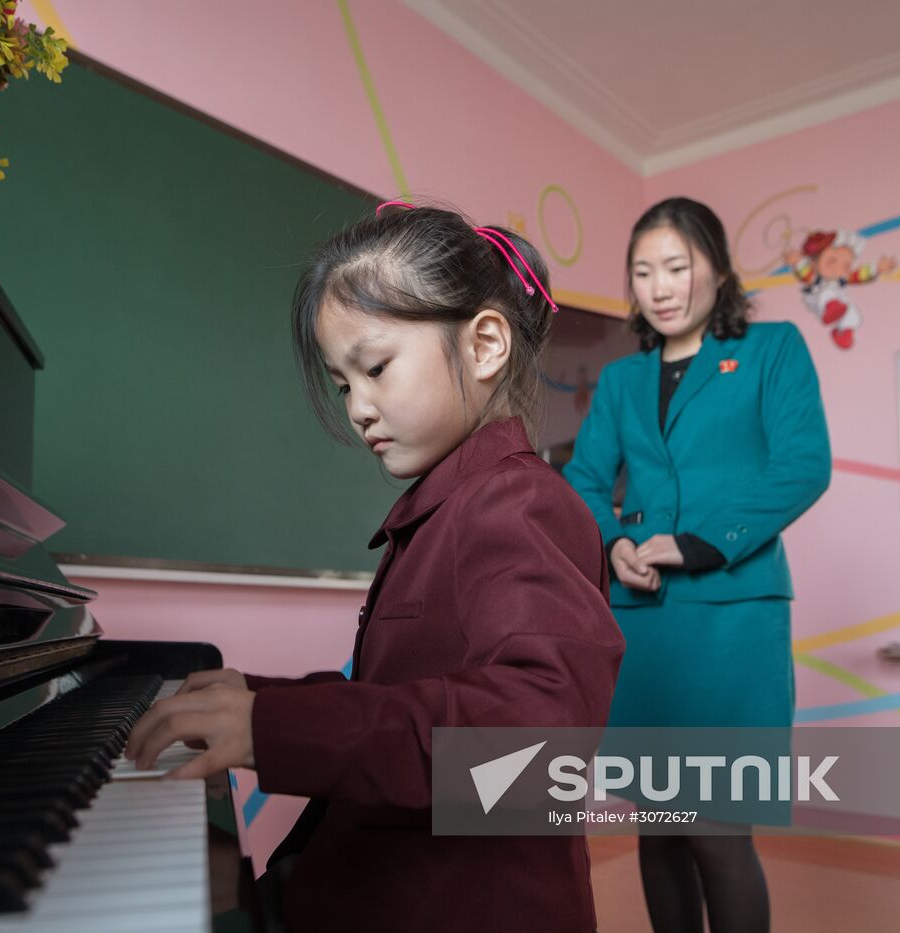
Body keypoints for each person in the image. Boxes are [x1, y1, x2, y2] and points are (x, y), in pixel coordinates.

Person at [125, 201, 623, 932]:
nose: (358, 408)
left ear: (485, 345)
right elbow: (405, 693)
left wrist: (276, 728)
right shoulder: (451, 507)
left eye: (377, 367)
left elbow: (541, 742)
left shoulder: (517, 503)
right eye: (342, 384)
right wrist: (259, 698)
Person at [564, 197, 831, 933]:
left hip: (732, 617)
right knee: (660, 826)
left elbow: (804, 465)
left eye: (678, 266)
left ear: (716, 268)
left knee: (718, 827)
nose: (661, 285)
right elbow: (585, 479)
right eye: (644, 271)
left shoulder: (774, 348)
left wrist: (703, 541)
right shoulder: (621, 380)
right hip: (643, 621)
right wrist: (613, 541)